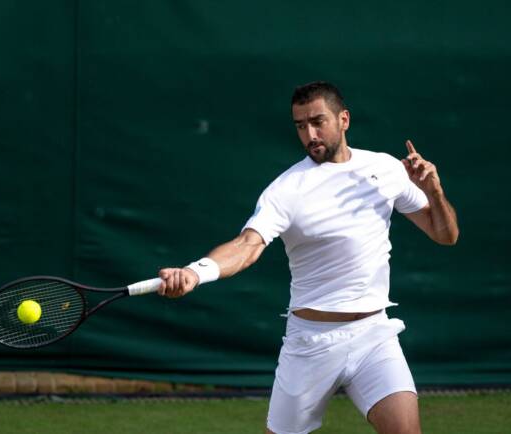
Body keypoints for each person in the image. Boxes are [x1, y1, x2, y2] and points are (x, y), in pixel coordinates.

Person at [158, 81, 459, 434]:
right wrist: (196, 272)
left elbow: (445, 234)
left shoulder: (387, 169)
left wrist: (434, 192)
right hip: (311, 343)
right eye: (301, 125)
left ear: (343, 119)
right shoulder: (286, 190)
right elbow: (247, 245)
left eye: (318, 122)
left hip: (374, 334)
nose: (310, 134)